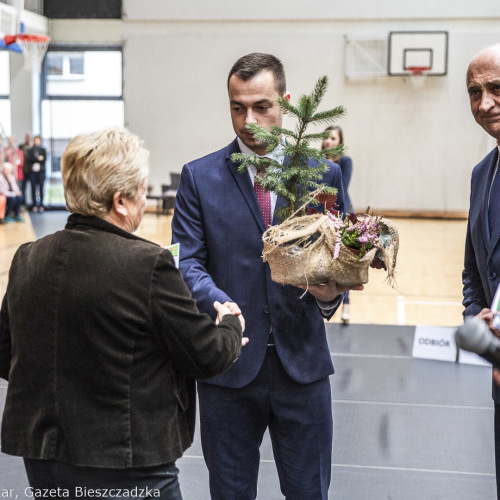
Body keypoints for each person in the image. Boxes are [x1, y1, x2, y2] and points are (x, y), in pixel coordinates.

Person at [0, 128, 247, 499]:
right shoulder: (147, 265)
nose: (145, 201)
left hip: (43, 459)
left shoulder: (28, 258)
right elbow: (206, 354)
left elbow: (8, 355)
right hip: (129, 466)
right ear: (120, 201)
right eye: (142, 191)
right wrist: (230, 323)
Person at [171, 53, 363, 499]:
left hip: (303, 366)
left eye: (261, 106)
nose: (248, 120)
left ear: (286, 103)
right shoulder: (199, 178)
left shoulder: (322, 174)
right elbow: (187, 262)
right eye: (238, 107)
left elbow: (343, 254)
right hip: (229, 368)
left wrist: (331, 294)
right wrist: (216, 300)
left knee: (309, 491)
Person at [462, 43, 500, 500]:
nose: (484, 103)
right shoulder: (481, 173)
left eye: (496, 88)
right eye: (474, 92)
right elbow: (474, 267)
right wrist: (479, 318)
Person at [322, 125, 354, 323]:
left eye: (333, 138)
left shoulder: (345, 161)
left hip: (341, 212)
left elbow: (341, 187)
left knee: (343, 259)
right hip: (321, 211)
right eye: (326, 138)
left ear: (339, 142)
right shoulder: (316, 160)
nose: (328, 141)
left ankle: (347, 303)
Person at [26, 135, 46, 212]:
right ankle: (34, 204)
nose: (37, 141)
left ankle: (41, 205)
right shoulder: (30, 150)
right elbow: (29, 158)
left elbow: (44, 159)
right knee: (33, 188)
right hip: (32, 172)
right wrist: (38, 158)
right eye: (36, 140)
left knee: (41, 188)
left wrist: (38, 159)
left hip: (41, 172)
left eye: (38, 140)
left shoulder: (43, 149)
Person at [19, 133, 31, 206]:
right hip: (23, 171)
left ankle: (34, 204)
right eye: (26, 137)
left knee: (33, 188)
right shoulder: (21, 146)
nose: (27, 138)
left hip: (31, 171)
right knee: (22, 188)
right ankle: (23, 203)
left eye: (29, 137)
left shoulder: (33, 147)